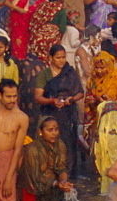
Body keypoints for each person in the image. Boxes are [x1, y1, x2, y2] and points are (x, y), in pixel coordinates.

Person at [34, 45, 85, 178]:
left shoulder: (70, 72)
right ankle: (50, 175)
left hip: (68, 115)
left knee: (68, 145)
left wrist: (71, 100)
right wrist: (52, 101)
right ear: (50, 58)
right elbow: (38, 97)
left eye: (63, 57)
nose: (61, 61)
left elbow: (80, 92)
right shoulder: (44, 74)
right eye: (58, 58)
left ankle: (68, 177)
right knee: (51, 143)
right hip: (51, 114)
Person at [17, 116, 73, 201]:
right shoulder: (32, 149)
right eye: (50, 130)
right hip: (33, 191)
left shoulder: (60, 145)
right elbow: (34, 177)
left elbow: (62, 168)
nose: (54, 133)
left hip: (53, 190)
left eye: (56, 129)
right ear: (40, 131)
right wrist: (57, 184)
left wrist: (63, 182)